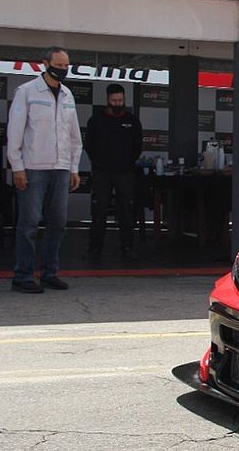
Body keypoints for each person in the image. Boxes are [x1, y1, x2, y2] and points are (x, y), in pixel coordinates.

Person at [7, 47, 82, 293]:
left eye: (65, 65)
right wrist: (17, 167)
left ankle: (50, 272)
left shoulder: (68, 95)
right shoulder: (27, 92)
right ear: (45, 64)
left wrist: (73, 168)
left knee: (58, 224)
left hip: (61, 168)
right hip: (33, 168)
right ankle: (23, 276)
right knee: (28, 224)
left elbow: (74, 137)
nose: (62, 69)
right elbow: (15, 132)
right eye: (58, 65)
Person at [84, 83, 143, 260]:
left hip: (124, 172)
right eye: (114, 100)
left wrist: (126, 162)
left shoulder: (132, 121)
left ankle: (128, 247)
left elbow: (137, 147)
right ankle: (95, 249)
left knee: (126, 211)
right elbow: (89, 145)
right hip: (102, 172)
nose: (117, 104)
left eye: (120, 100)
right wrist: (99, 163)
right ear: (107, 100)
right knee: (98, 210)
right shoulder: (96, 120)